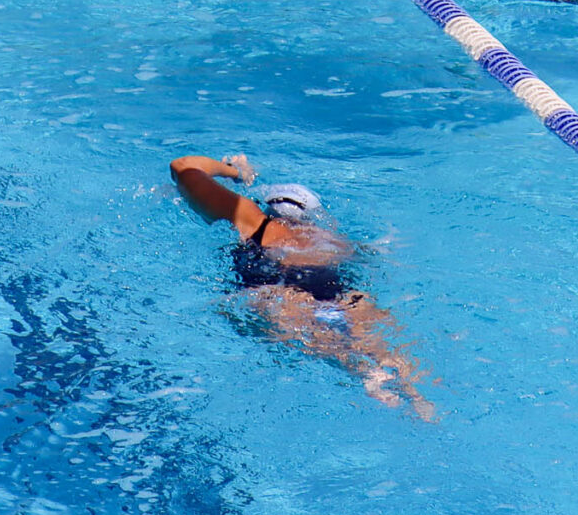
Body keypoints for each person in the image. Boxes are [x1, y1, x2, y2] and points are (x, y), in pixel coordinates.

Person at [169, 154, 433, 416]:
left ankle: (364, 372)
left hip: (279, 293)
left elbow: (183, 167)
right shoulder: (338, 243)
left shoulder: (254, 221)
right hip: (341, 294)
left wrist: (237, 172)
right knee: (390, 349)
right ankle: (418, 397)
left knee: (298, 326)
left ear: (268, 209)